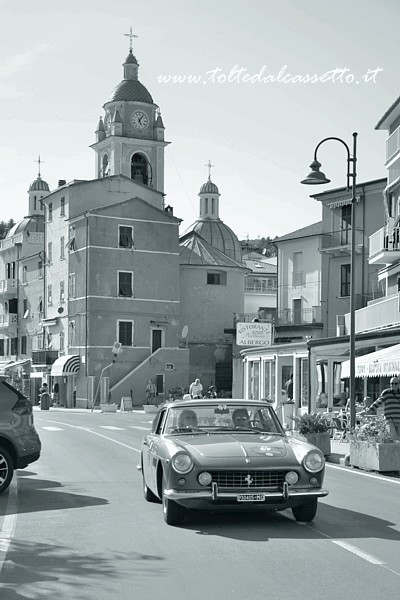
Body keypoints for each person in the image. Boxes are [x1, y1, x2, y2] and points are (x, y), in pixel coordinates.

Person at [360, 376, 400, 441]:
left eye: (395, 383)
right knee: (393, 437)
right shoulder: (386, 393)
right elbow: (377, 403)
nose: (393, 385)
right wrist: (368, 411)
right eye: (391, 383)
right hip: (390, 419)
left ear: (399, 384)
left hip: (399, 419)